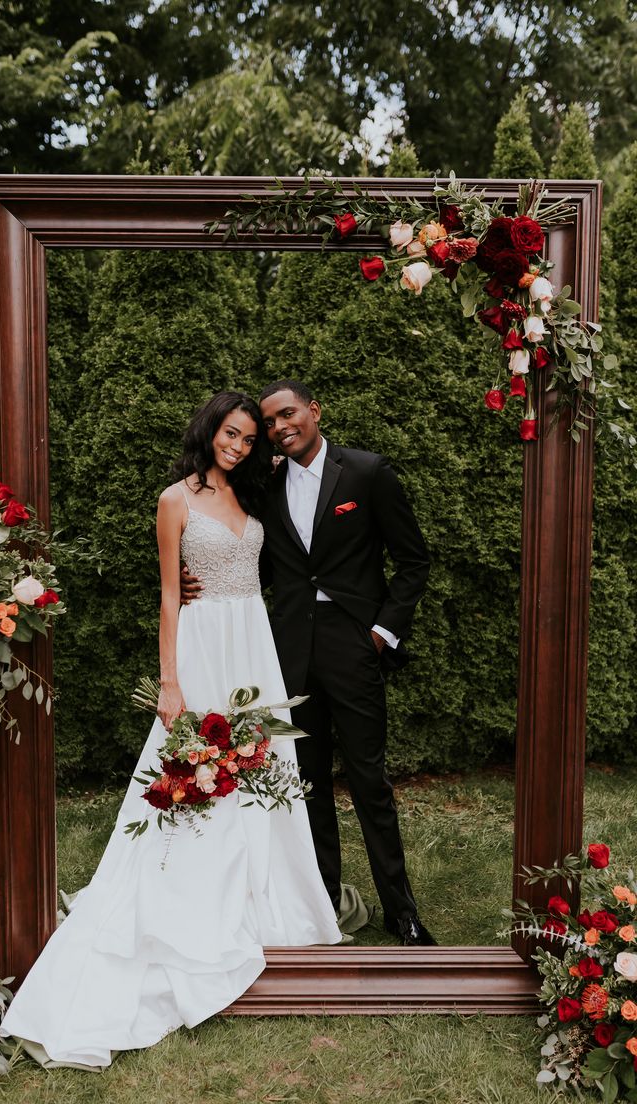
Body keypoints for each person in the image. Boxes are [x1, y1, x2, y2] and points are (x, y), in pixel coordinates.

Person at [0, 392, 342, 1069]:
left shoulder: (255, 496)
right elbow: (166, 591)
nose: (238, 446)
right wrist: (169, 681)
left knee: (261, 765)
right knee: (197, 773)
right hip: (203, 643)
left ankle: (268, 894)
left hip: (254, 643)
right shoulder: (174, 499)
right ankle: (185, 901)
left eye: (249, 439)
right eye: (231, 434)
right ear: (210, 429)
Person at [184, 380, 434, 946]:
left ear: (314, 411)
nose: (279, 427)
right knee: (307, 783)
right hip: (288, 654)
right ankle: (322, 904)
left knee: (370, 780)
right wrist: (196, 580)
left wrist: (381, 632)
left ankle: (402, 911)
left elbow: (413, 560)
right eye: (269, 423)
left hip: (354, 647)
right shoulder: (265, 485)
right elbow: (259, 563)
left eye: (287, 414)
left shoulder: (367, 473)